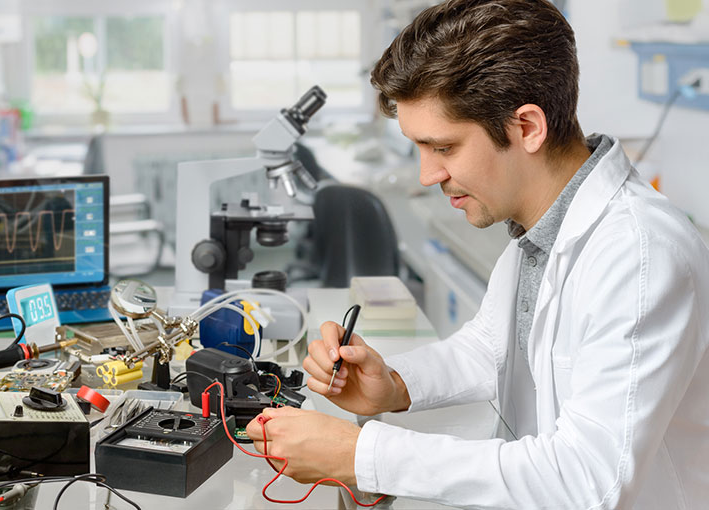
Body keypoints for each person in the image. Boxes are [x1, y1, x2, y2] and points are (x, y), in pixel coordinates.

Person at [245, 0, 709, 508]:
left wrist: (361, 455)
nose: (427, 175)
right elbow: (491, 350)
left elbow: (588, 480)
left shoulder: (639, 255)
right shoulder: (543, 223)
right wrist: (395, 385)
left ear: (527, 127)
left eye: (442, 147)